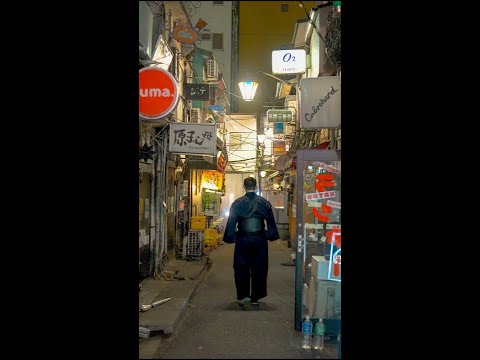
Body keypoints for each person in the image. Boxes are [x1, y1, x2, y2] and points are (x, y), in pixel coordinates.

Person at [223, 177, 280, 309]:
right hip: (259, 238)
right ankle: (255, 297)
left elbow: (231, 223)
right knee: (259, 267)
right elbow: (270, 222)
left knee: (241, 267)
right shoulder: (264, 203)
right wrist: (269, 235)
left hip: (243, 238)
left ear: (244, 187)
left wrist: (232, 237)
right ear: (256, 186)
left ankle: (244, 296)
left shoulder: (237, 203)